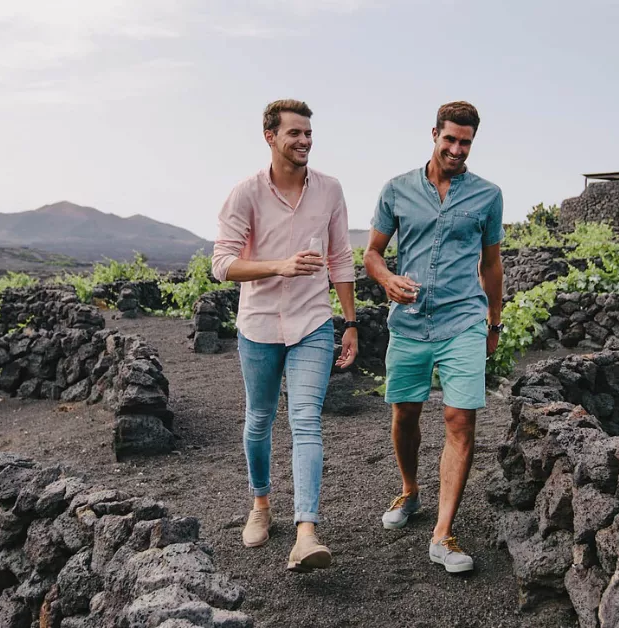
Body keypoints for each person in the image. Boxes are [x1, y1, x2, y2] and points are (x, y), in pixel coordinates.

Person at [211, 99, 359, 572]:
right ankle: (260, 505)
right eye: (294, 133)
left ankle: (306, 532)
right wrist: (280, 265)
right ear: (270, 137)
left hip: (313, 322)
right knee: (259, 419)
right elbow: (221, 265)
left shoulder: (330, 190)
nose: (304, 141)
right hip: (257, 327)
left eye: (308, 133)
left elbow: (340, 258)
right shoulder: (245, 195)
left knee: (306, 421)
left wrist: (350, 321)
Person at [364, 101, 504, 574]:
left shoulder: (488, 196)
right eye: (450, 139)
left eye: (466, 142)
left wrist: (494, 323)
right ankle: (409, 490)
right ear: (434, 135)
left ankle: (443, 533)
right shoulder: (397, 190)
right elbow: (373, 254)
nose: (457, 149)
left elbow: (491, 265)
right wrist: (386, 280)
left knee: (459, 419)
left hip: (464, 318)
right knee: (405, 412)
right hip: (409, 322)